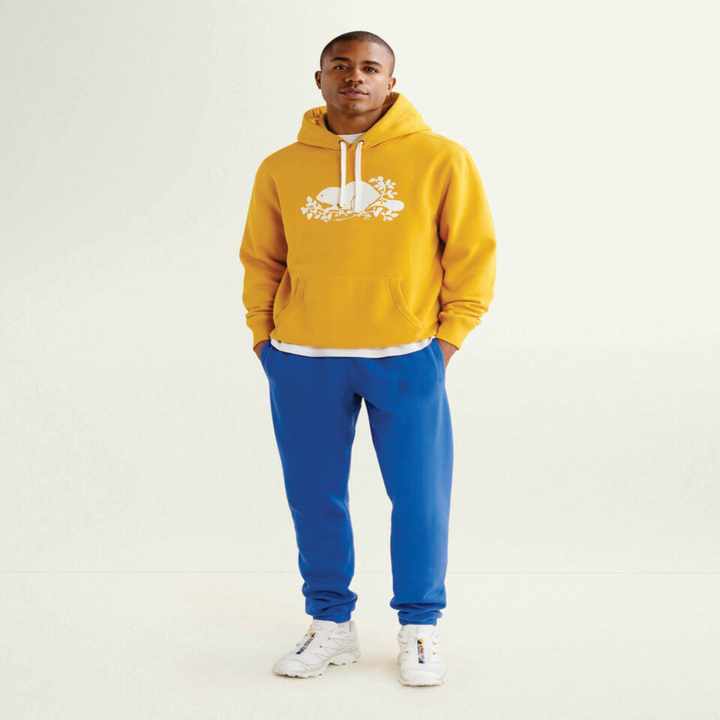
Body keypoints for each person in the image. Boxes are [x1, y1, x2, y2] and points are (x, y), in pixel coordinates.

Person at [239, 30, 496, 686]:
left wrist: (448, 339)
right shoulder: (281, 167)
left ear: (391, 80)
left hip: (406, 356)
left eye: (369, 67)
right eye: (341, 66)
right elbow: (262, 258)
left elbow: (472, 254)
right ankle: (330, 624)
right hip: (303, 358)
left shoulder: (441, 158)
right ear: (320, 79)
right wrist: (264, 338)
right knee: (314, 497)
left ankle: (420, 627)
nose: (355, 76)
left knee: (420, 497)